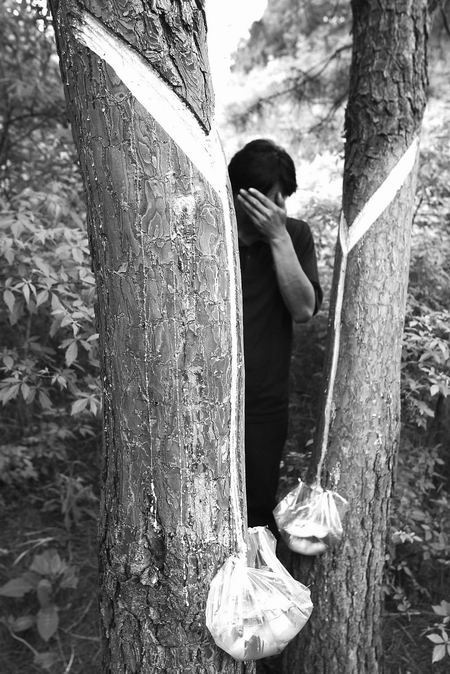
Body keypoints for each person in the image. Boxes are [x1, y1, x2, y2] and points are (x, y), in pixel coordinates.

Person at [228, 139, 323, 537]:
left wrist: (278, 238)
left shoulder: (294, 235)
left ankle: (255, 571)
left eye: (284, 197)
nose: (280, 207)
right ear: (242, 196)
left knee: (256, 507)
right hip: (206, 397)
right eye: (272, 197)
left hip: (264, 402)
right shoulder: (211, 231)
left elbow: (303, 309)